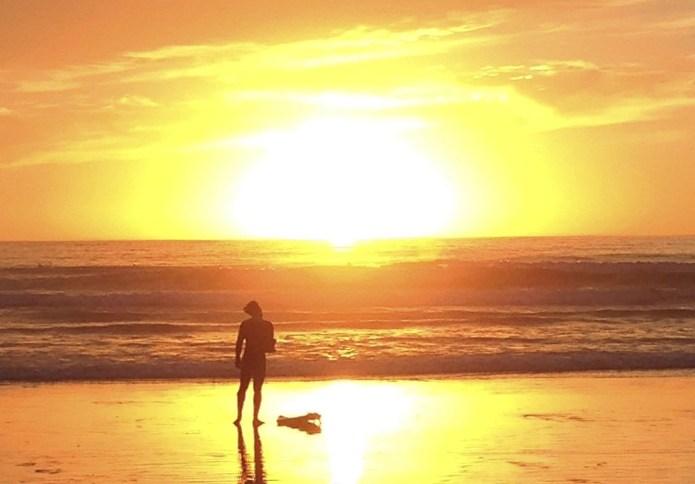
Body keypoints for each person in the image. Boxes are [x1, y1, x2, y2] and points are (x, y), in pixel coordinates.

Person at [234, 300, 275, 425]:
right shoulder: (267, 325)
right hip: (259, 358)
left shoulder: (245, 324)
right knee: (257, 389)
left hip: (248, 357)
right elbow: (269, 346)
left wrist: (237, 357)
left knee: (243, 387)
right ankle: (255, 418)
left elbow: (239, 342)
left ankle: (239, 417)